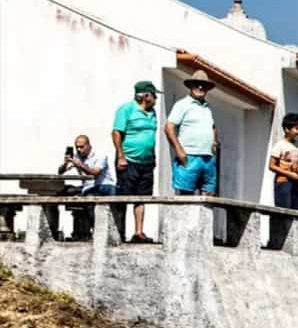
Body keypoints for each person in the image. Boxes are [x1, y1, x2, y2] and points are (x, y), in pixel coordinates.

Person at [111, 80, 161, 243]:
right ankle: (119, 231)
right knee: (124, 196)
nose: (156, 99)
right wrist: (120, 156)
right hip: (128, 160)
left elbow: (151, 136)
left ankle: (138, 232)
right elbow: (117, 133)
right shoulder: (126, 110)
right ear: (146, 96)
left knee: (142, 197)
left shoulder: (152, 113)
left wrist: (153, 157)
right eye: (154, 95)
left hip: (146, 162)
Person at [165, 70, 219, 196]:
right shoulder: (182, 105)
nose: (200, 87)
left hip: (208, 158)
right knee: (186, 195)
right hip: (189, 156)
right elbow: (169, 127)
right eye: (196, 84)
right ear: (190, 86)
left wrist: (215, 141)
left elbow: (213, 126)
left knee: (208, 194)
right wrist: (179, 150)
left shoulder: (207, 107)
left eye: (203, 85)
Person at [59, 134, 116, 239]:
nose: (79, 149)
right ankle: (91, 231)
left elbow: (95, 173)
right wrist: (65, 163)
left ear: (89, 146)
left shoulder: (99, 156)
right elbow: (60, 172)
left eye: (82, 147)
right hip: (88, 187)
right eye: (77, 147)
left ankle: (103, 231)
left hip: (105, 186)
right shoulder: (77, 157)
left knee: (93, 198)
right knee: (68, 193)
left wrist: (80, 165)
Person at [268, 113, 298, 211]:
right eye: (296, 128)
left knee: (296, 211)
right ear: (287, 129)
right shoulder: (280, 145)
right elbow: (271, 166)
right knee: (283, 212)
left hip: (295, 183)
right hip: (282, 183)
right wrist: (289, 174)